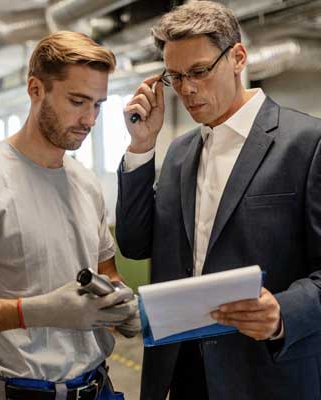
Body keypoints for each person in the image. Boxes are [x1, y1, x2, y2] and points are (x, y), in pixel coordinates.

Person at [116, 1, 321, 399]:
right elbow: (135, 243)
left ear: (238, 57)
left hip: (264, 372)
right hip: (182, 373)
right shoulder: (178, 153)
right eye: (175, 77)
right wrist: (142, 147)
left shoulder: (307, 144)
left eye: (198, 71)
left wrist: (282, 313)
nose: (187, 89)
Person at [0, 31, 139, 400]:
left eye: (98, 105)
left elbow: (107, 274)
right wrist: (33, 312)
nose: (89, 119)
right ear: (35, 89)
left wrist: (122, 306)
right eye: (77, 101)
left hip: (99, 387)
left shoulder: (86, 184)